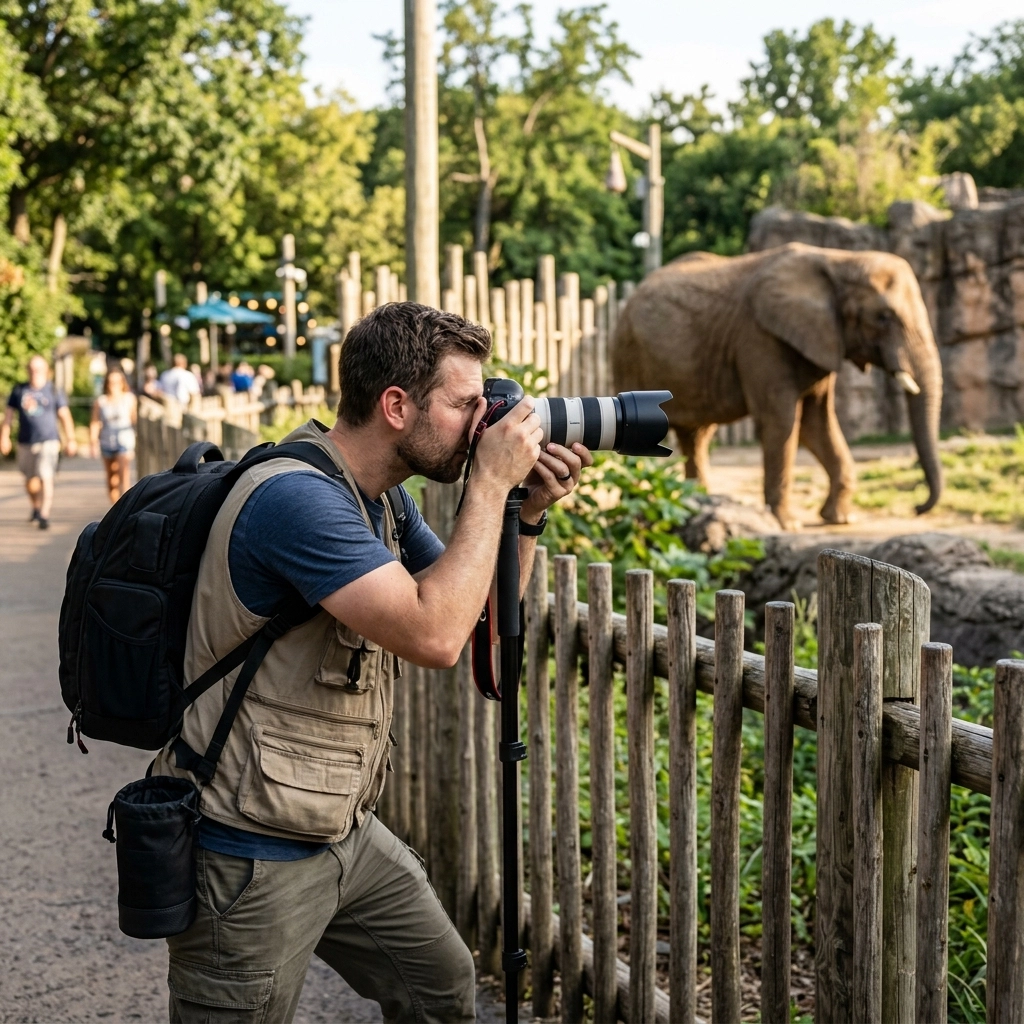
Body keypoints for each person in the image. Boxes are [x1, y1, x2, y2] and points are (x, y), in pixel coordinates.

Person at [151, 302, 592, 1023]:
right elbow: (434, 637)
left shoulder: (381, 502)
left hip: (341, 827)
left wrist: (527, 512)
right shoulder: (297, 500)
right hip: (248, 847)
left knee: (440, 988)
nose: (484, 422)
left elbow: (475, 622)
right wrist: (486, 485)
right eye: (465, 404)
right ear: (395, 405)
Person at [1, 354, 78, 529]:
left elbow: (64, 415)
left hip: (48, 440)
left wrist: (71, 439)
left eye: (39, 369)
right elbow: (8, 417)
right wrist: (4, 437)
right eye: (32, 369)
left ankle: (44, 514)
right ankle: (35, 507)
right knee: (30, 480)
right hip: (25, 441)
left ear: (46, 371)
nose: (35, 372)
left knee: (46, 476)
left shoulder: (53, 390)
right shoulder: (19, 390)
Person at [89, 366, 137, 503]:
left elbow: (134, 419)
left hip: (124, 441)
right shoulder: (101, 401)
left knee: (124, 474)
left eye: (117, 382)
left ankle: (126, 505)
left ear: (122, 383)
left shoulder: (129, 399)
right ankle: (115, 505)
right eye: (111, 382)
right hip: (107, 441)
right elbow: (95, 422)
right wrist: (93, 442)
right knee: (111, 478)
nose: (114, 385)